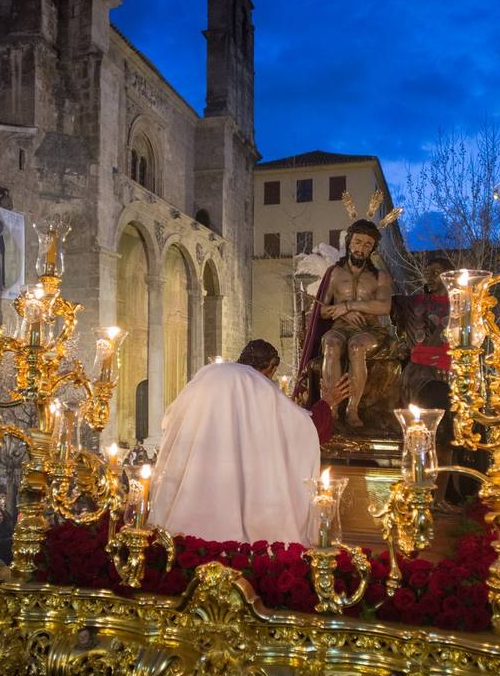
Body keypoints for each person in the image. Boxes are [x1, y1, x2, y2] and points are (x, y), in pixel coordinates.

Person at [149, 340, 349, 545]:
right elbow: (302, 431)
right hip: (233, 477)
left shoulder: (207, 374)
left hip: (197, 470)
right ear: (270, 366)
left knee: (190, 533)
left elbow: (172, 418)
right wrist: (327, 402)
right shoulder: (256, 383)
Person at [296, 219, 391, 428]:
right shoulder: (334, 274)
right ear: (349, 243)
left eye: (367, 244)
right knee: (330, 342)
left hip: (369, 330)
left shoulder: (381, 276)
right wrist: (339, 312)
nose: (361, 248)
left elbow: (384, 306)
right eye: (358, 242)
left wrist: (348, 306)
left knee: (356, 346)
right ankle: (331, 408)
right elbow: (320, 309)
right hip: (340, 327)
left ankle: (352, 409)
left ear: (372, 248)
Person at [391, 257, 459, 511]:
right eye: (427, 272)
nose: (429, 276)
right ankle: (419, 495)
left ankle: (439, 498)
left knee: (446, 442)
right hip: (422, 376)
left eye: (436, 272)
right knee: (421, 438)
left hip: (447, 377)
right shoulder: (416, 303)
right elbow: (413, 343)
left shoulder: (459, 304)